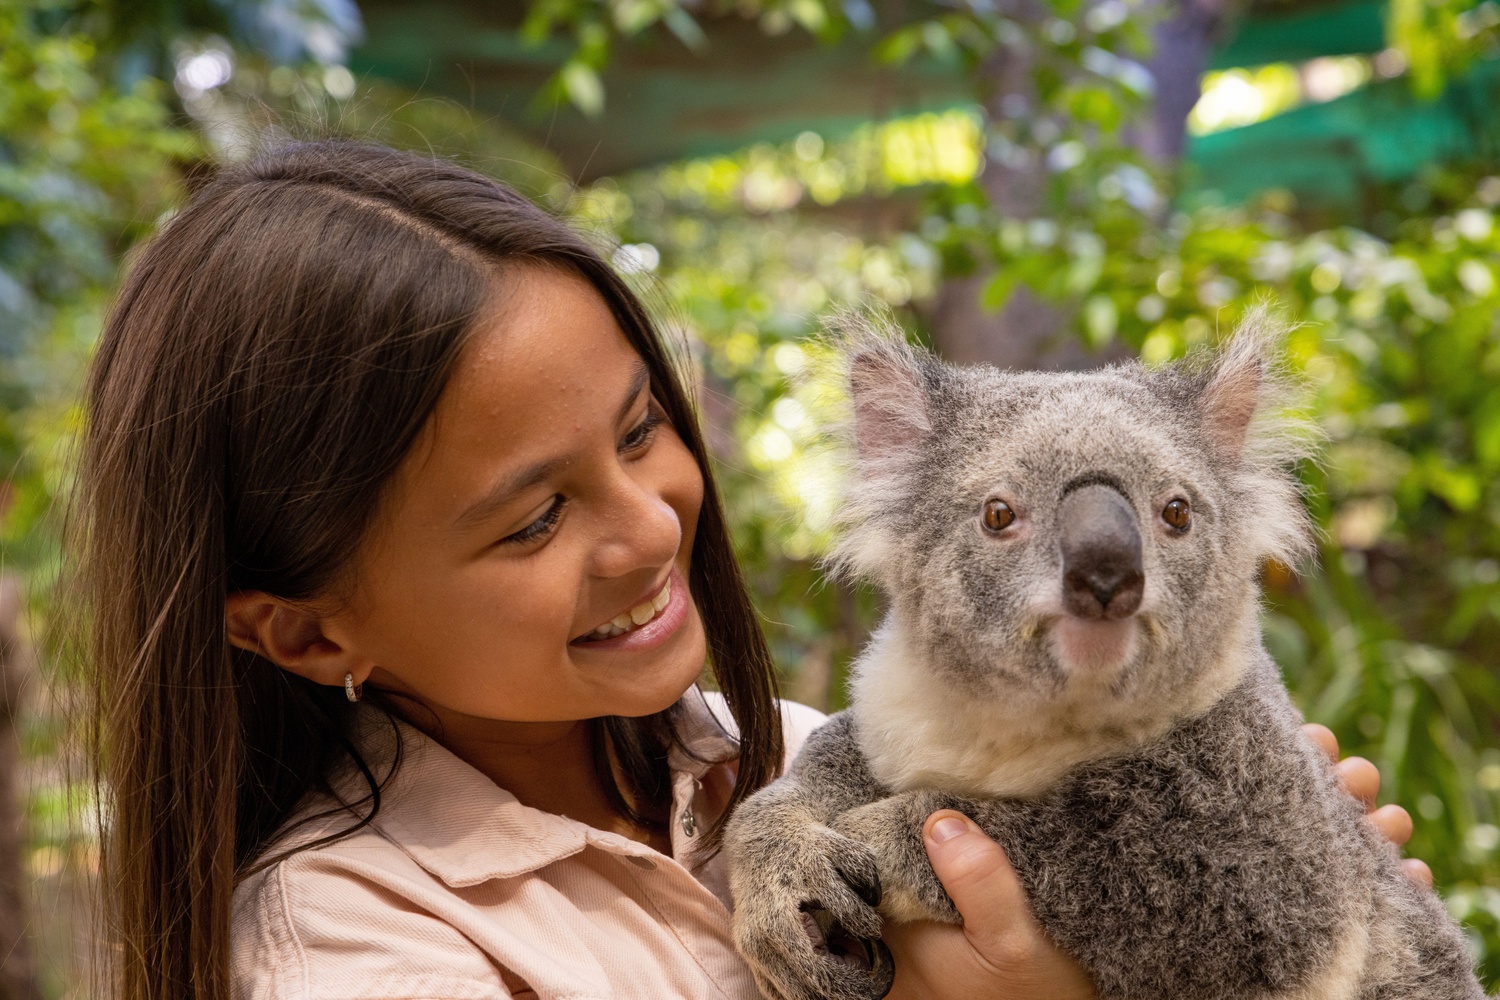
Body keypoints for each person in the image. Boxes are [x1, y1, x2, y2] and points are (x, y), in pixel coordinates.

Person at [74, 140, 1425, 1000]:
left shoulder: (785, 757)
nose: (654, 528)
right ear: (310, 634)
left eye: (640, 431)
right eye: (533, 519)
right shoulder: (355, 952)